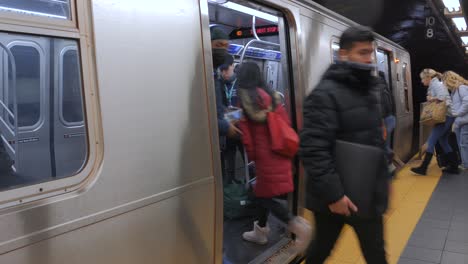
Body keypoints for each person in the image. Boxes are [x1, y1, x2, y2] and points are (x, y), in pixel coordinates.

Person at [299, 26, 389, 263]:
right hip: (336, 197)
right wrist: (334, 195)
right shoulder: (324, 94)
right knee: (320, 251)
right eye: (362, 52)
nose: (369, 58)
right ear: (343, 55)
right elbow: (313, 148)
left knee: (375, 253)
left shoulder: (367, 90)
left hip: (366, 192)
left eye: (370, 52)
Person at [236, 62, 311, 251]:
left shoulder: (245, 99)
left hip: (264, 155)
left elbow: (247, 137)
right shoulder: (272, 96)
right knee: (262, 192)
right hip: (281, 150)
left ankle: (296, 224)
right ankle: (260, 231)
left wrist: (253, 156)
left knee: (262, 195)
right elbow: (284, 122)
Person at [411, 69, 458, 175]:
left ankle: (423, 168)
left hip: (445, 116)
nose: (422, 81)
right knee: (443, 141)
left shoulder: (437, 84)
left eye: (422, 79)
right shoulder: (435, 84)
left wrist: (431, 98)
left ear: (428, 78)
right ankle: (454, 166)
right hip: (448, 116)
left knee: (431, 141)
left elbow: (443, 98)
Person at [218, 57, 244, 185]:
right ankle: (230, 183)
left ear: (232, 66)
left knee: (246, 155)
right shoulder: (218, 84)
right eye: (221, 70)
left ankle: (250, 181)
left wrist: (237, 115)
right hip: (227, 126)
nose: (224, 73)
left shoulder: (241, 83)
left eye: (225, 70)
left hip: (242, 126)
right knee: (229, 156)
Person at [444, 71, 468, 169]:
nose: (445, 86)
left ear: (449, 80)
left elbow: (467, 102)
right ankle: (464, 162)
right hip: (460, 121)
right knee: (462, 143)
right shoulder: (455, 91)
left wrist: (458, 114)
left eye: (445, 83)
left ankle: (465, 164)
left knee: (463, 143)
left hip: (465, 121)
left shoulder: (461, 88)